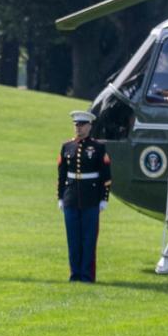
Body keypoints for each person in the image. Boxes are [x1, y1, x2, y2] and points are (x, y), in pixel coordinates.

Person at [57, 110, 112, 282]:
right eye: (76, 125)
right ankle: (75, 275)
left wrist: (104, 198)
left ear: (89, 126)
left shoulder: (98, 147)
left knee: (88, 240)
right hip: (71, 198)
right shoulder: (67, 147)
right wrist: (60, 197)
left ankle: (87, 276)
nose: (78, 128)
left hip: (91, 199)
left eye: (82, 125)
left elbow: (106, 176)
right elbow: (62, 174)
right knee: (73, 240)